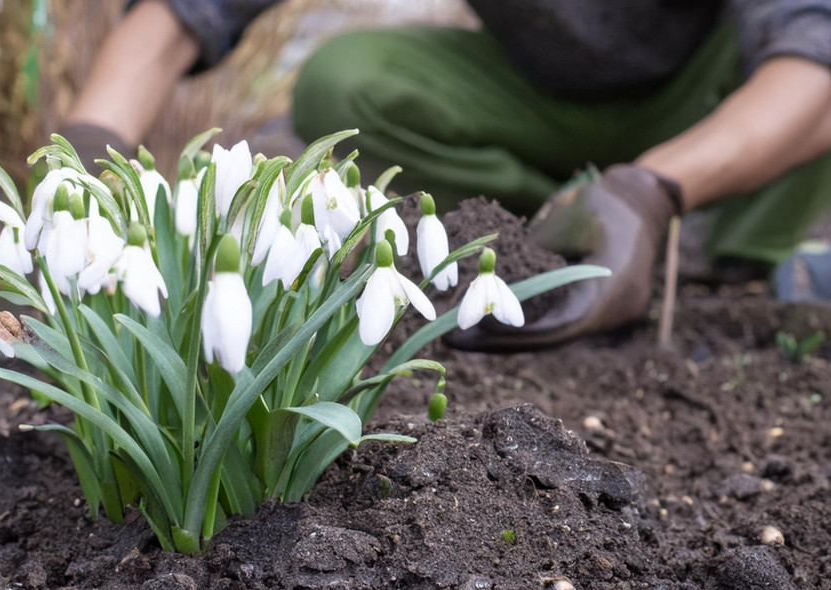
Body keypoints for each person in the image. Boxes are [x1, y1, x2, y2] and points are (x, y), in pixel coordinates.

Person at [61, 0, 831, 351]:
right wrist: (85, 156)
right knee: (349, 80)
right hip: (530, 95)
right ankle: (552, 240)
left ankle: (722, 262)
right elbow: (181, 14)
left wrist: (648, 190)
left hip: (711, 95)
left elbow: (814, 57)